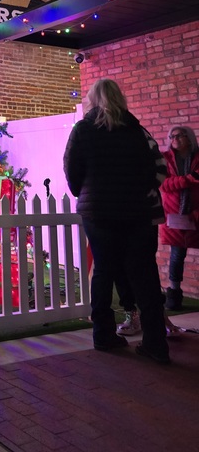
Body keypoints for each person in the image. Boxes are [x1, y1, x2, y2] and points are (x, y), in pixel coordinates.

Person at [64, 78, 170, 364]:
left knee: (103, 273)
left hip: (98, 212)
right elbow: (154, 167)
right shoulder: (136, 130)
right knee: (145, 276)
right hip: (137, 212)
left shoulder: (83, 130)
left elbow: (72, 170)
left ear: (92, 99)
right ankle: (156, 343)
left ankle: (104, 335)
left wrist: (86, 193)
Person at [159, 125, 199, 310]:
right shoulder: (166, 159)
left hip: (195, 212)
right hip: (175, 215)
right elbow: (165, 185)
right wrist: (189, 179)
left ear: (189, 138)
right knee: (177, 255)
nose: (175, 139)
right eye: (171, 136)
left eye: (179, 135)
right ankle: (174, 295)